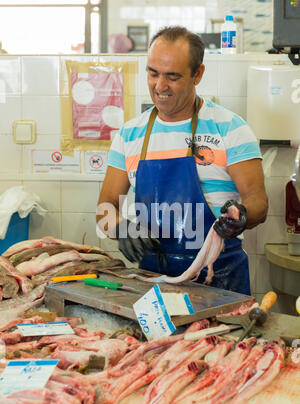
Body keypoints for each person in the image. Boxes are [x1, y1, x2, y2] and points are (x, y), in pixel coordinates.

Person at [96, 26, 268, 295]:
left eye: (172, 77)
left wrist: (242, 215)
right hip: (152, 281)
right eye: (153, 73)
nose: (160, 86)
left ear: (197, 74)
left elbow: (258, 201)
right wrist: (120, 228)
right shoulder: (130, 135)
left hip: (220, 280)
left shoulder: (230, 128)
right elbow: (104, 208)